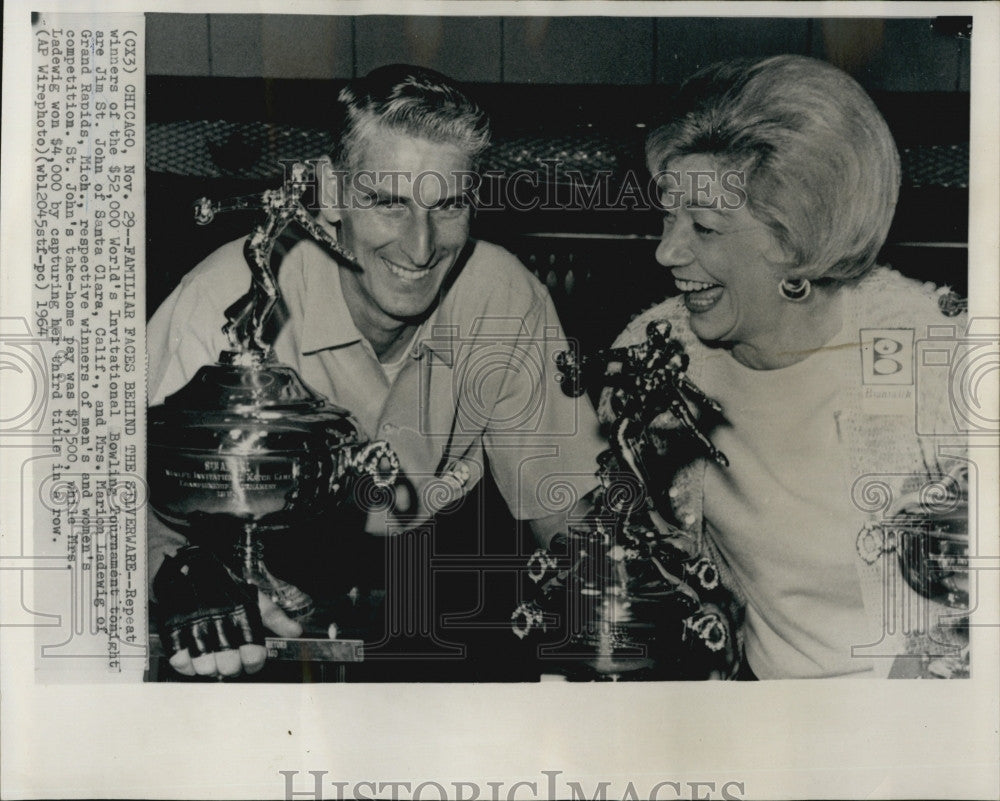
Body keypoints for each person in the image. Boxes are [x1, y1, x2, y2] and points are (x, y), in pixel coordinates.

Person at [147, 65, 605, 679]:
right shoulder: (227, 300)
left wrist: (619, 595)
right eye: (388, 203)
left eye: (448, 206)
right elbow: (109, 504)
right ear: (332, 193)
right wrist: (176, 572)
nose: (420, 248)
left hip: (437, 614)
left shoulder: (503, 296)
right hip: (251, 631)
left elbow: (566, 514)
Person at [606, 55, 969, 679]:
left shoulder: (937, 358)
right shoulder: (656, 360)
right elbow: (654, 575)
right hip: (765, 732)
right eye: (669, 217)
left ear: (793, 239)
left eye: (705, 228)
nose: (668, 250)